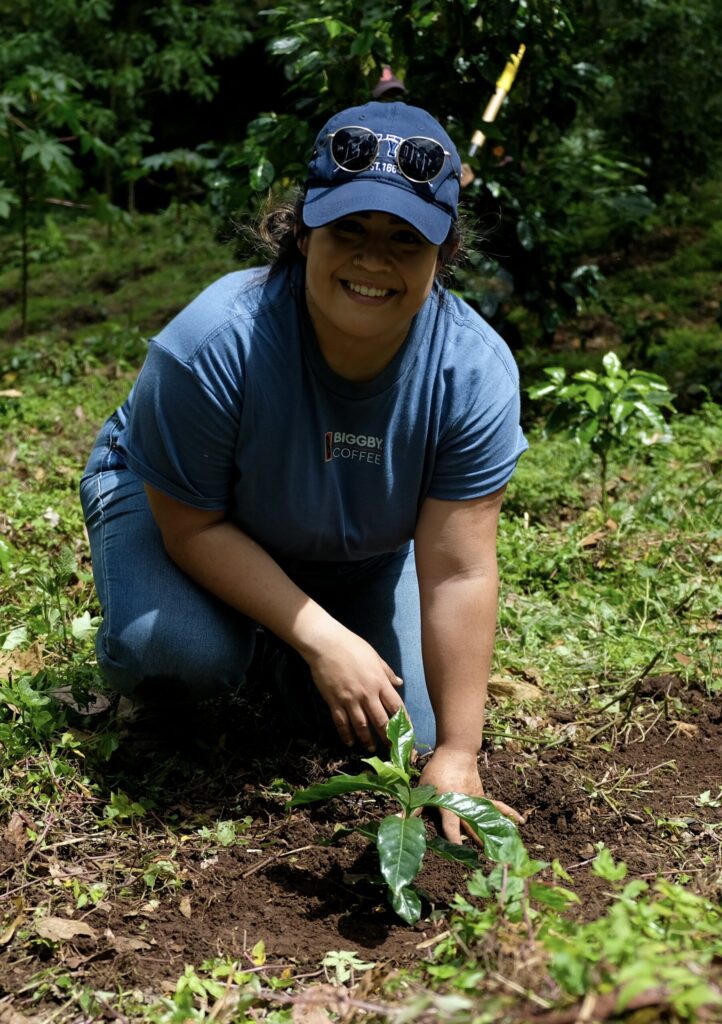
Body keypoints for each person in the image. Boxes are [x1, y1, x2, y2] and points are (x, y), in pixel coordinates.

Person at [80, 101, 528, 841]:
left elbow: (457, 570)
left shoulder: (472, 374)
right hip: (185, 509)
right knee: (180, 649)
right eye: (349, 229)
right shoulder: (215, 341)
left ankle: (284, 651)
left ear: (442, 255)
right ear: (302, 230)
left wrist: (457, 751)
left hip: (353, 548)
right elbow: (192, 527)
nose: (373, 260)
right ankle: (246, 645)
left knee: (406, 728)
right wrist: (324, 637)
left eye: (405, 239)